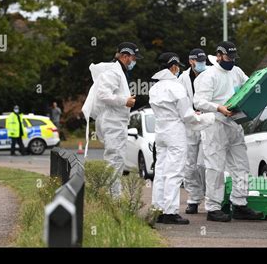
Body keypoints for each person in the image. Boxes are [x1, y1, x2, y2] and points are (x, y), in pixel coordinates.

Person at [193, 41, 263, 222]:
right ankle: (213, 208)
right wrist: (219, 108)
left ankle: (240, 203)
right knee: (215, 168)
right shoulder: (209, 75)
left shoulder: (236, 71)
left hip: (234, 124)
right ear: (218, 55)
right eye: (228, 57)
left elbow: (250, 86)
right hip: (215, 126)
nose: (231, 60)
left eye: (233, 57)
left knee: (241, 166)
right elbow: (199, 102)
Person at [150, 52, 214, 224]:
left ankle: (158, 209)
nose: (178, 70)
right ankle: (170, 213)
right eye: (177, 66)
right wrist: (205, 118)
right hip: (175, 134)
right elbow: (187, 116)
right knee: (174, 173)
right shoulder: (177, 87)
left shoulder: (154, 88)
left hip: (160, 133)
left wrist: (191, 115)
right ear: (173, 66)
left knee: (161, 172)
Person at [82, 42, 143, 198]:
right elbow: (103, 95)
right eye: (133, 58)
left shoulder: (118, 72)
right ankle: (112, 198)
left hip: (115, 122)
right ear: (124, 56)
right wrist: (125, 101)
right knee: (115, 160)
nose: (134, 61)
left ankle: (110, 196)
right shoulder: (113, 73)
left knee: (116, 160)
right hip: (112, 122)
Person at [178, 48, 207, 214]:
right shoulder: (182, 79)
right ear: (191, 61)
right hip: (190, 125)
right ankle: (193, 199)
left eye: (203, 60)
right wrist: (190, 112)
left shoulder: (211, 74)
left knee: (204, 164)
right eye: (199, 61)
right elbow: (181, 101)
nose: (202, 64)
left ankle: (211, 197)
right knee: (189, 166)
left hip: (207, 123)